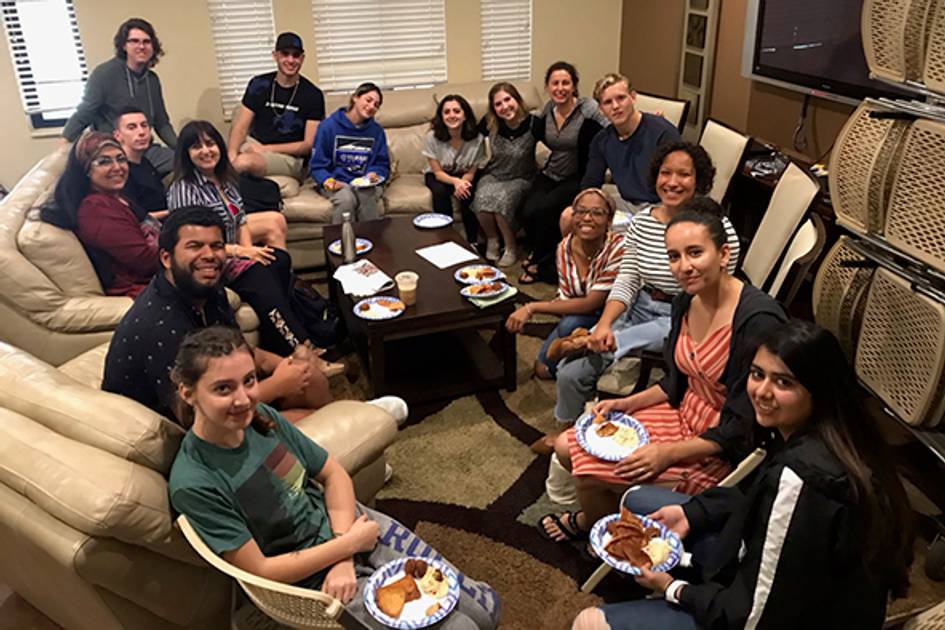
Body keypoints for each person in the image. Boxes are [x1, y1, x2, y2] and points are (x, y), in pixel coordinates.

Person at [571, 321, 914, 630]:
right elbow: (755, 495)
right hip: (772, 579)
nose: (762, 391)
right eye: (757, 374)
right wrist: (693, 512)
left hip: (785, 618)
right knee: (639, 500)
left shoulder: (804, 478)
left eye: (783, 382)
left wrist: (674, 589)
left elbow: (754, 615)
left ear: (818, 390)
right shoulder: (829, 435)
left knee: (588, 622)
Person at [167, 325, 500, 629]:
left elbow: (332, 473)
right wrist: (346, 548)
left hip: (349, 528)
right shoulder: (195, 482)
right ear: (188, 393)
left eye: (250, 381)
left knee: (484, 612)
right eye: (223, 388)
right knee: (462, 627)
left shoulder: (262, 417)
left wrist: (343, 548)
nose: (244, 399)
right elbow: (262, 571)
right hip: (312, 582)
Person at [540, 198, 786, 542]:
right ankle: (613, 521)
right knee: (569, 445)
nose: (684, 267)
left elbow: (747, 426)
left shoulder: (757, 320)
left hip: (719, 444)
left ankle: (603, 531)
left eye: (695, 253)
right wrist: (627, 404)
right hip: (680, 411)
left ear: (724, 254)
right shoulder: (686, 300)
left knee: (589, 475)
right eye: (674, 256)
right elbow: (676, 380)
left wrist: (666, 454)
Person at [546, 143, 741, 449]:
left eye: (684, 174)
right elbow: (628, 278)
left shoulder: (717, 227)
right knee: (570, 373)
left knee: (594, 350)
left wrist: (605, 338)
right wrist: (606, 323)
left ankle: (593, 347)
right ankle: (570, 430)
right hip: (638, 306)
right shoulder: (641, 222)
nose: (673, 182)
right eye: (666, 173)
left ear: (698, 180)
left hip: (685, 315)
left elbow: (717, 291)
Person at [102, 207, 332, 424]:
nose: (209, 255)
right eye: (195, 246)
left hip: (222, 395)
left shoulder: (207, 291)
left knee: (307, 374)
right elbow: (196, 416)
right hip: (188, 431)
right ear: (166, 258)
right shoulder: (160, 324)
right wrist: (277, 385)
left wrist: (290, 366)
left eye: (217, 245)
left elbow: (240, 351)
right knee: (316, 420)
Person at [167, 121, 334, 358]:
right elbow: (194, 244)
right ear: (186, 154)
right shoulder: (184, 189)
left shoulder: (225, 179)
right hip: (210, 261)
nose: (206, 151)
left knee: (279, 260)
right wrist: (242, 253)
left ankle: (286, 337)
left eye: (210, 143)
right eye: (196, 147)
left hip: (233, 255)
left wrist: (249, 251)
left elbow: (241, 221)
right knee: (261, 276)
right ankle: (303, 349)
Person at [505, 189, 623, 380]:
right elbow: (568, 298)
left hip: (614, 315)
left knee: (570, 324)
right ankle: (579, 347)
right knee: (542, 369)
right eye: (580, 211)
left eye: (597, 213)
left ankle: (590, 356)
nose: (587, 218)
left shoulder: (618, 248)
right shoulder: (564, 247)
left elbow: (591, 303)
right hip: (579, 313)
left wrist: (532, 307)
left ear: (609, 221)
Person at [519, 61, 608, 285]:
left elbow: (611, 124)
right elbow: (527, 129)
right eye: (555, 83)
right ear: (548, 87)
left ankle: (540, 263)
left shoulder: (587, 108)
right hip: (551, 172)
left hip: (576, 175)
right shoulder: (548, 109)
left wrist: (644, 118)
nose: (560, 88)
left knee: (546, 209)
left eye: (565, 83)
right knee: (527, 211)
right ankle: (539, 252)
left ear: (574, 86)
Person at [559, 73, 681, 236]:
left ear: (633, 97)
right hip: (626, 206)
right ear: (601, 109)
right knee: (569, 217)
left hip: (661, 206)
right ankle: (582, 261)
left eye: (621, 98)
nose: (615, 106)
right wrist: (584, 209)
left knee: (625, 235)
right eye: (608, 102)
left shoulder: (662, 132)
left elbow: (680, 183)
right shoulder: (602, 141)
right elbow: (591, 183)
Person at [42, 131, 159, 298]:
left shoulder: (113, 195)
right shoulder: (95, 210)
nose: (117, 167)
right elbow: (145, 260)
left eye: (121, 159)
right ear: (86, 169)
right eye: (104, 162)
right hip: (143, 286)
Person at [61, 18, 176, 176]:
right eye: (134, 41)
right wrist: (63, 144)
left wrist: (183, 148)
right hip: (113, 152)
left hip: (145, 150)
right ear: (124, 45)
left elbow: (162, 123)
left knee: (187, 162)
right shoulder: (104, 74)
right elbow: (84, 113)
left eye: (146, 42)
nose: (141, 46)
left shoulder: (152, 80)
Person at [228, 32, 325, 180]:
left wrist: (265, 150)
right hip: (254, 145)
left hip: (289, 158)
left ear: (302, 58)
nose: (291, 60)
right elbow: (240, 127)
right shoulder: (258, 84)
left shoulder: (313, 95)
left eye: (296, 55)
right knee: (221, 158)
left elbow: (308, 144)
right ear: (275, 55)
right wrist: (231, 157)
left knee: (244, 162)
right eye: (285, 54)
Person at [472, 83, 537, 266]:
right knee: (482, 196)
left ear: (517, 99)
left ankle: (510, 246)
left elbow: (555, 143)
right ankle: (493, 239)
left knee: (502, 198)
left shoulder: (534, 123)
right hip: (494, 173)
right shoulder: (490, 123)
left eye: (508, 99)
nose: (504, 106)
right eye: (498, 104)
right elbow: (469, 138)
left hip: (522, 176)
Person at [310, 82, 390, 223]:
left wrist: (374, 174)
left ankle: (373, 241)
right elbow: (317, 165)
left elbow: (382, 164)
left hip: (365, 184)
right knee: (346, 199)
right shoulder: (328, 127)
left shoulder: (377, 132)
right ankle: (342, 242)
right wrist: (328, 180)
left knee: (366, 195)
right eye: (368, 100)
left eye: (376, 105)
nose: (371, 106)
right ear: (355, 98)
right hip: (337, 182)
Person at [422, 94, 485, 244]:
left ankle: (472, 242)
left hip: (464, 174)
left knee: (467, 194)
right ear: (441, 116)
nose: (452, 115)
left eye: (456, 111)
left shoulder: (477, 138)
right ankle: (445, 239)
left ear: (465, 115)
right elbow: (437, 172)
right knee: (440, 192)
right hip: (439, 175)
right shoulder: (431, 137)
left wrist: (462, 183)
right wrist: (455, 182)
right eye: (447, 112)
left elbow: (471, 171)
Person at [113, 106, 168, 217]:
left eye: (144, 125)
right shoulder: (120, 171)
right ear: (117, 136)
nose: (141, 132)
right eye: (132, 127)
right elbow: (134, 218)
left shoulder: (145, 162)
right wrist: (175, 212)